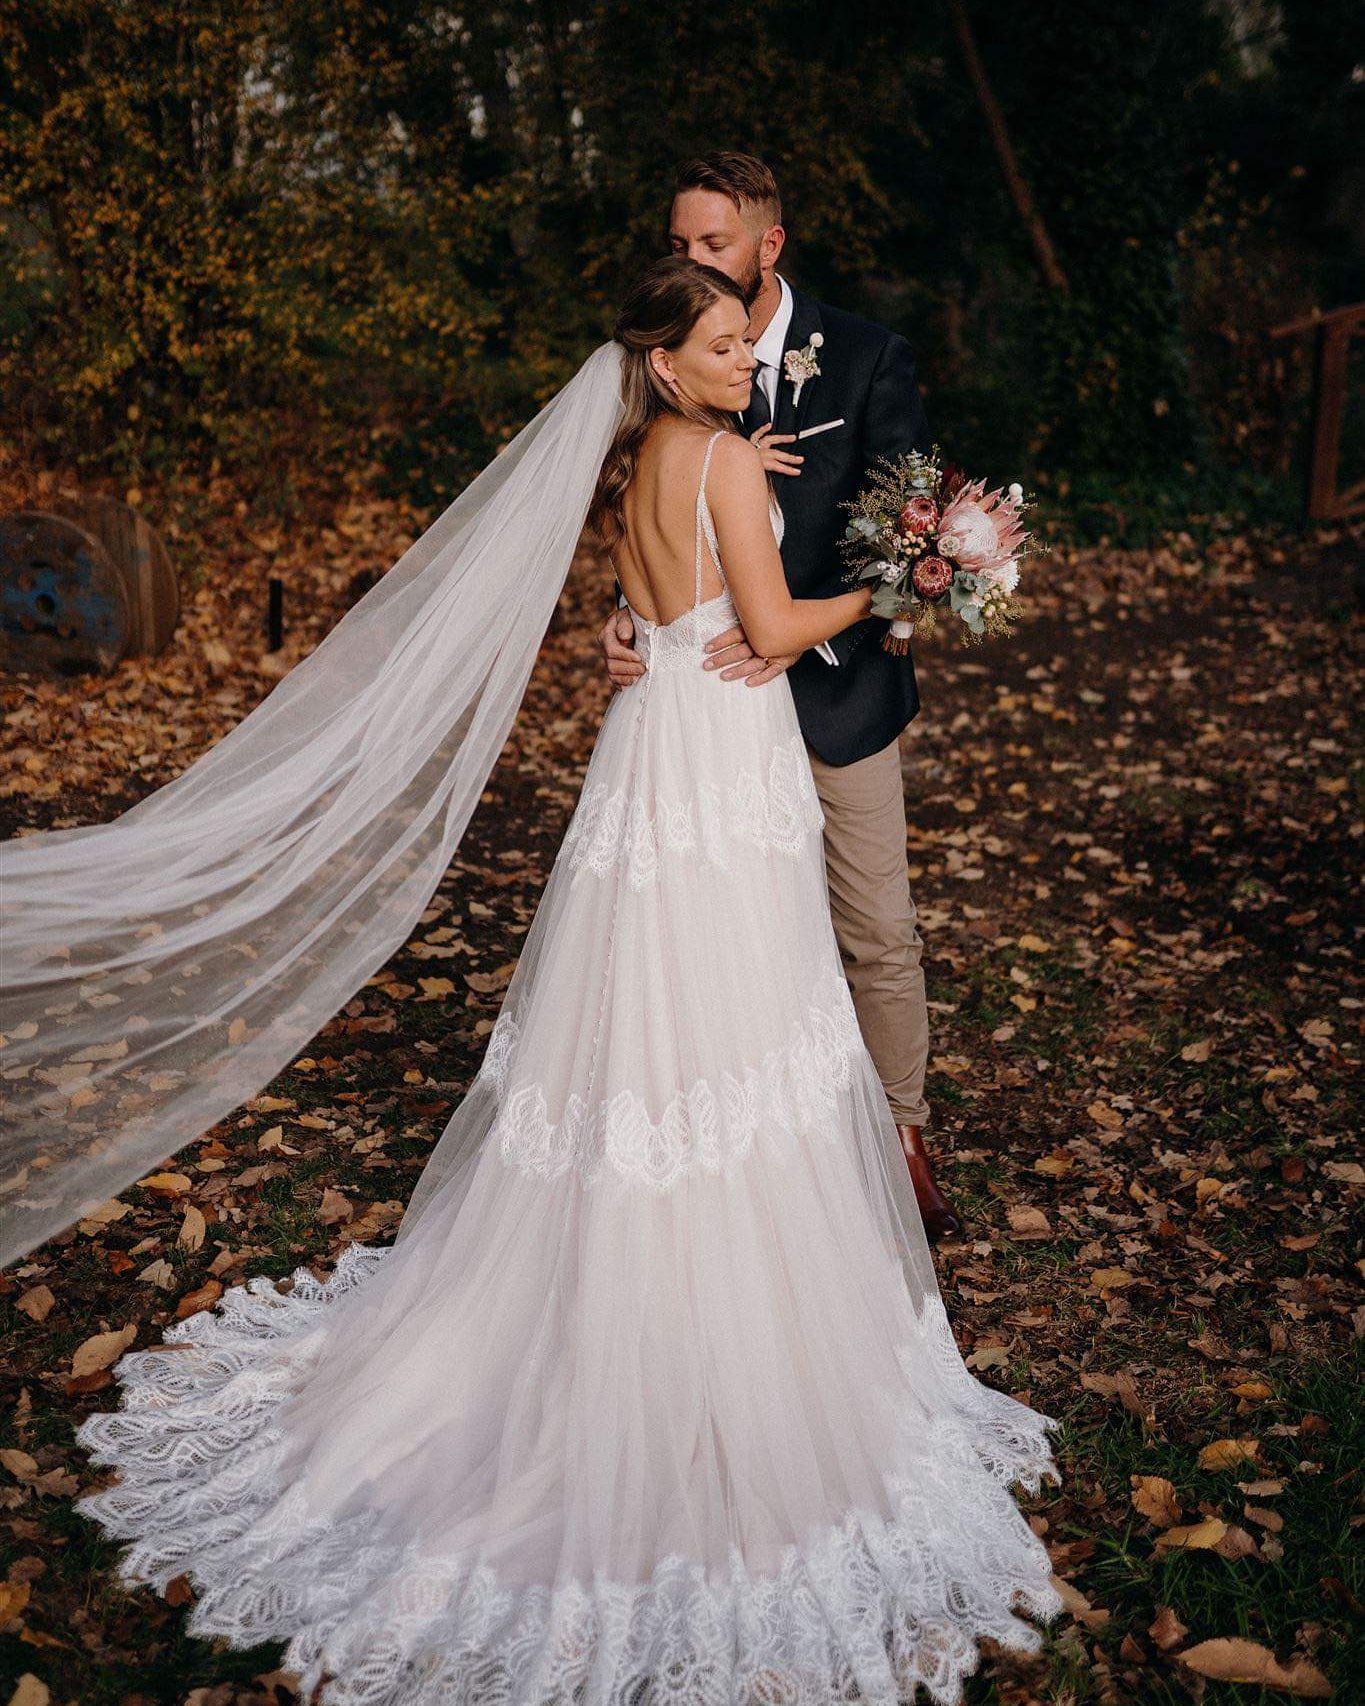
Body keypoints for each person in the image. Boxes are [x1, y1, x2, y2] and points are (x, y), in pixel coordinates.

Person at [63, 257, 1061, 1706]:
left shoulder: (646, 464)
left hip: (646, 762)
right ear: (667, 362)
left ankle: (619, 1284)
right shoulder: (714, 454)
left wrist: (730, 521)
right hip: (718, 778)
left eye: (743, 346)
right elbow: (774, 633)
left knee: (637, 1049)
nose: (743, 364)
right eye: (721, 348)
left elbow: (654, 608)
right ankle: (711, 1342)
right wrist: (913, 576)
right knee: (727, 1039)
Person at [601, 153, 962, 1241]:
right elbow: (643, 513)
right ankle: (754, 1161)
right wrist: (627, 615)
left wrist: (813, 617)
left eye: (713, 244)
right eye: (680, 240)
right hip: (714, 710)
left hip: (839, 699)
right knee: (731, 944)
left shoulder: (864, 356)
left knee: (874, 932)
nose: (691, 258)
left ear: (768, 245)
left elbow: (912, 521)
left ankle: (900, 1136)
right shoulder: (673, 358)